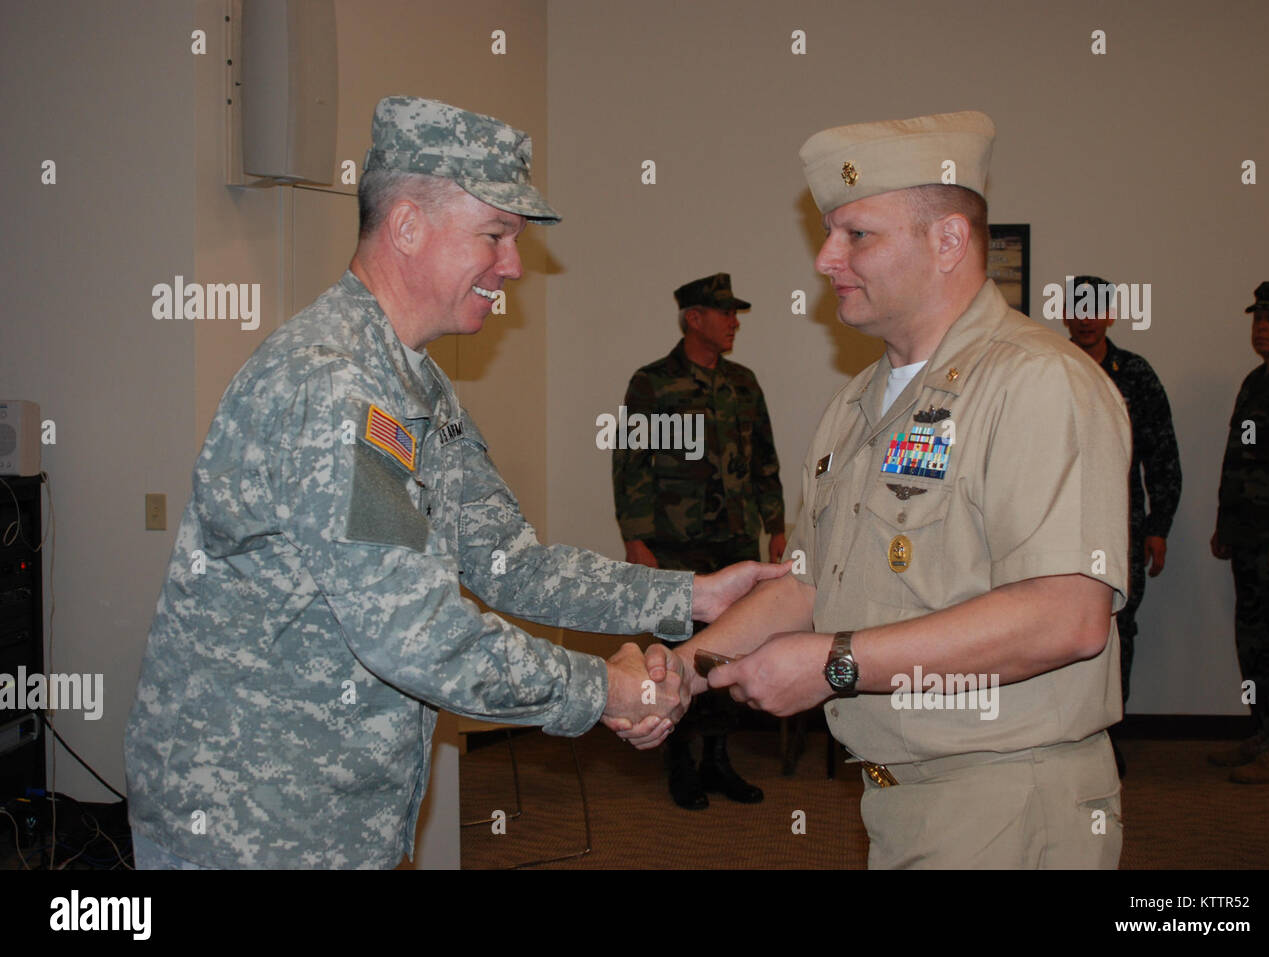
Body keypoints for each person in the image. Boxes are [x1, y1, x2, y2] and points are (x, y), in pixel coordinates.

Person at [123, 96, 783, 869]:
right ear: (407, 226)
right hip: (250, 820)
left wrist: (688, 597)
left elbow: (507, 562)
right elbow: (417, 635)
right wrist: (604, 690)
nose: (512, 266)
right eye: (496, 235)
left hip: (343, 810)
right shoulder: (334, 387)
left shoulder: (416, 389)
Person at [638, 110, 1132, 868]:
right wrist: (686, 669)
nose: (827, 259)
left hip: (1006, 800)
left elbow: (1066, 619)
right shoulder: (859, 404)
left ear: (948, 242)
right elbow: (809, 582)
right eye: (827, 234)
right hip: (902, 802)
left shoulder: (1038, 382)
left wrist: (835, 664)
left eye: (856, 235)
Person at [612, 273, 785, 809]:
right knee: (673, 652)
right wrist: (636, 538)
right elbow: (630, 463)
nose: (734, 322)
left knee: (725, 654)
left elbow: (764, 460)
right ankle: (677, 763)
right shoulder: (653, 383)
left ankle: (717, 759)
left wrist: (776, 525)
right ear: (694, 318)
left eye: (736, 314)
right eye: (725, 312)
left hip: (734, 543)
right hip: (674, 546)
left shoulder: (743, 383)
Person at [1064, 275, 1182, 776]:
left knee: (1117, 629)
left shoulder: (1134, 373)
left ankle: (1106, 735)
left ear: (1110, 315)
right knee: (1056, 627)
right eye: (1078, 308)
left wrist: (1159, 526)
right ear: (1066, 315)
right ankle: (1062, 735)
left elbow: (1162, 457)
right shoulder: (1047, 366)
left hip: (1121, 527)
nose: (1087, 318)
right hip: (1056, 525)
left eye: (1097, 309)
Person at [1210, 281, 1269, 784]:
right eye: (1257, 318)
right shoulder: (1256, 381)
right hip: (1249, 536)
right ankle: (1266, 732)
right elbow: (1237, 460)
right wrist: (1226, 523)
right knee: (1254, 639)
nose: (1261, 327)